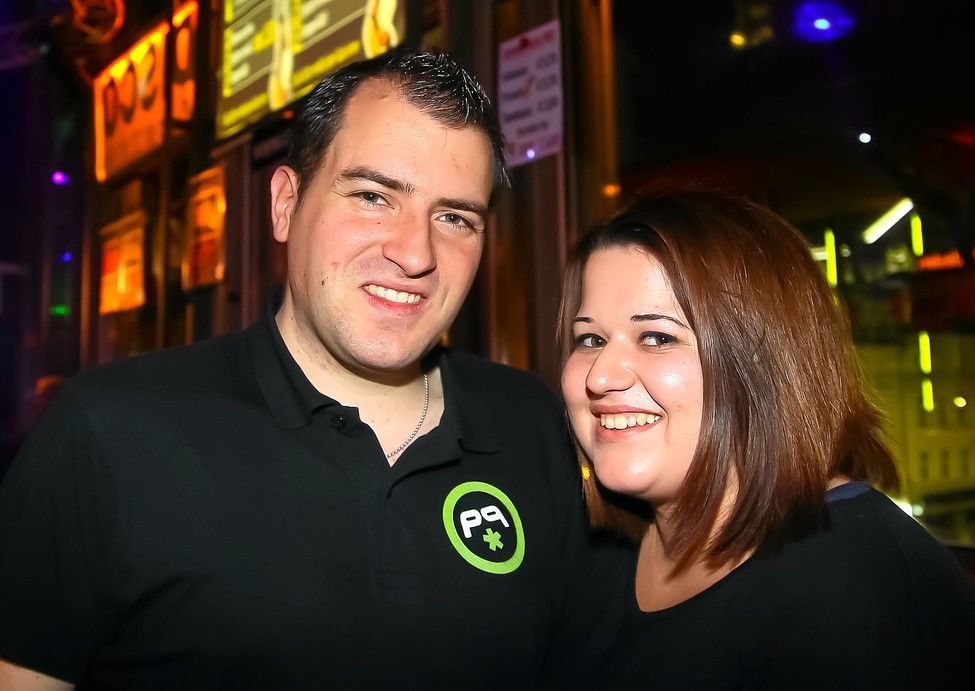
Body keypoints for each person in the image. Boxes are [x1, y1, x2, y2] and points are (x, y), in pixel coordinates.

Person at [0, 52, 587, 690]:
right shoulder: (108, 433)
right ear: (285, 204)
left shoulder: (533, 424)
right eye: (373, 196)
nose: (416, 253)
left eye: (454, 218)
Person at [557, 189, 975, 690]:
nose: (600, 376)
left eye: (657, 338)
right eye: (590, 339)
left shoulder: (855, 593)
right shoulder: (599, 553)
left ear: (763, 363)